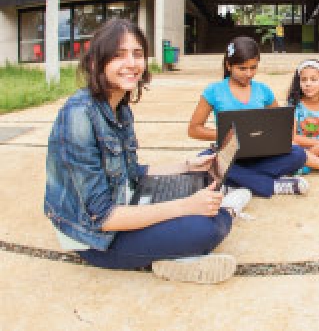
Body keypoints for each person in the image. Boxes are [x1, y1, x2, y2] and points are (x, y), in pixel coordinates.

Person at [44, 19, 251, 284]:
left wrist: (187, 166)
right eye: (118, 55)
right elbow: (102, 217)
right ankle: (190, 247)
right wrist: (185, 206)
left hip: (126, 202)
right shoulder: (78, 116)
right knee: (208, 225)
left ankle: (177, 255)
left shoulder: (119, 107)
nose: (132, 63)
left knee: (203, 180)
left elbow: (133, 173)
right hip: (94, 239)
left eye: (137, 54)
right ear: (96, 63)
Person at [188, 36, 308, 196]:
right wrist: (227, 135)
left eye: (253, 68)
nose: (249, 73)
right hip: (229, 156)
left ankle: (236, 182)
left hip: (261, 155)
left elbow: (280, 122)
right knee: (204, 159)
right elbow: (194, 129)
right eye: (242, 68)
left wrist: (282, 134)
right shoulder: (214, 91)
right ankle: (271, 185)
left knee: (299, 154)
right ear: (228, 65)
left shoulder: (263, 90)